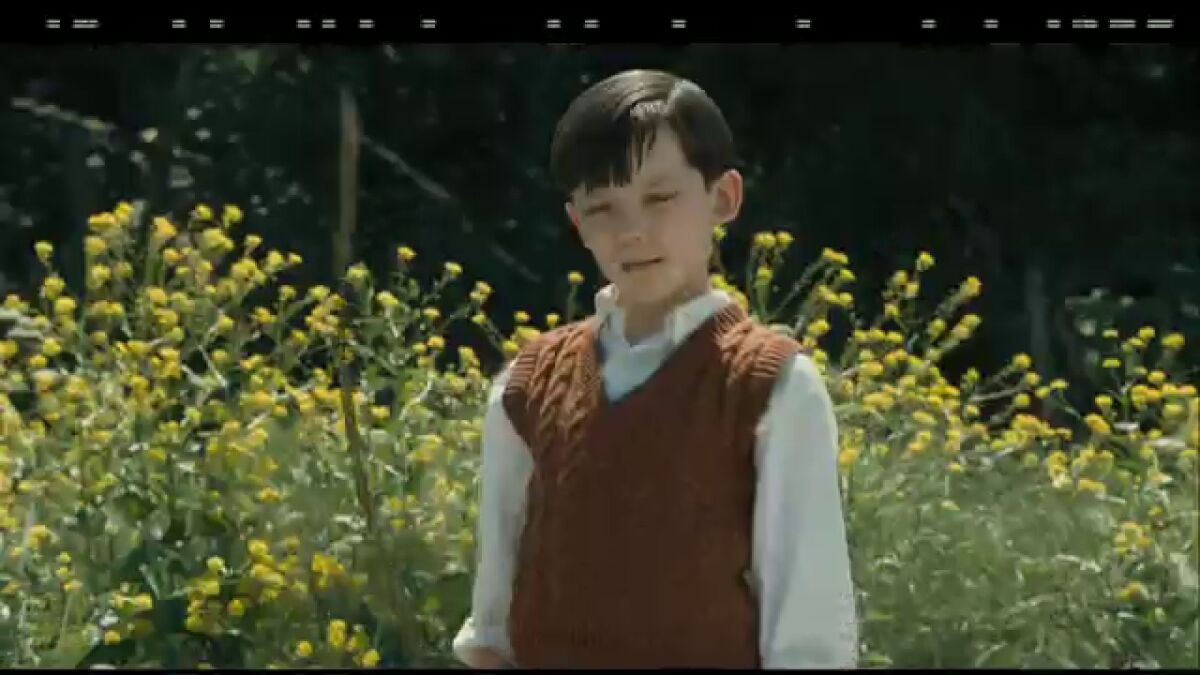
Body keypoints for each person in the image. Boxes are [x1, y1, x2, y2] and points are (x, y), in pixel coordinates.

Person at [452, 69, 858, 669]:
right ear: (577, 223)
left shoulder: (770, 387)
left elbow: (808, 641)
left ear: (723, 198)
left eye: (660, 198)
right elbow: (494, 626)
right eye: (602, 207)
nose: (632, 232)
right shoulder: (526, 385)